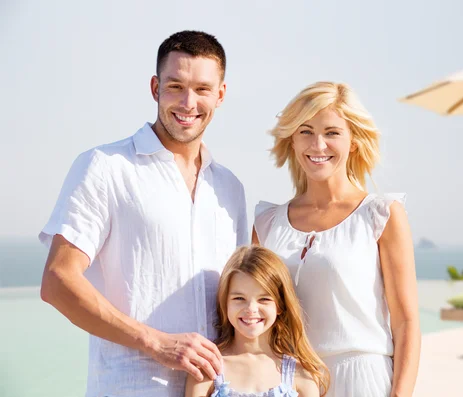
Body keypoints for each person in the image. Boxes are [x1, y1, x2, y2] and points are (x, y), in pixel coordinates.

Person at [39, 31, 248, 397]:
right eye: (175, 86)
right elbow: (58, 281)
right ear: (155, 87)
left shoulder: (230, 188)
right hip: (131, 388)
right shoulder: (105, 167)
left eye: (202, 89)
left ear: (221, 95)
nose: (188, 102)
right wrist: (156, 342)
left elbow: (240, 298)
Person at [252, 82, 420, 396]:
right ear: (291, 139)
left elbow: (406, 322)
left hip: (361, 379)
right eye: (305, 131)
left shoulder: (381, 215)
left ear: (353, 141)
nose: (318, 145)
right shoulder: (266, 223)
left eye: (332, 132)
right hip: (287, 380)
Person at [185, 245, 328, 397]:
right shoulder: (206, 369)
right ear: (225, 302)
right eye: (239, 298)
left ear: (280, 305)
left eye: (264, 299)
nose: (251, 309)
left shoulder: (302, 374)